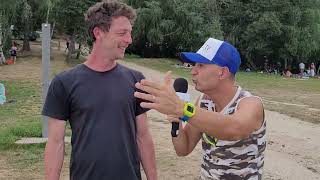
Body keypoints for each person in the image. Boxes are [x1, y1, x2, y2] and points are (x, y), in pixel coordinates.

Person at [43, 1, 157, 180]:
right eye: (122, 33)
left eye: (130, 32)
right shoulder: (64, 82)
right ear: (98, 33)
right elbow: (56, 142)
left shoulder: (136, 80)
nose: (129, 39)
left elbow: (143, 136)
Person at [134, 38, 266, 179]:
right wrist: (176, 120)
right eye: (195, 64)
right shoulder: (203, 102)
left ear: (222, 72)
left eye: (201, 65)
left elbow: (234, 129)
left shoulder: (251, 104)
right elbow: (183, 149)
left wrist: (182, 109)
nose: (193, 71)